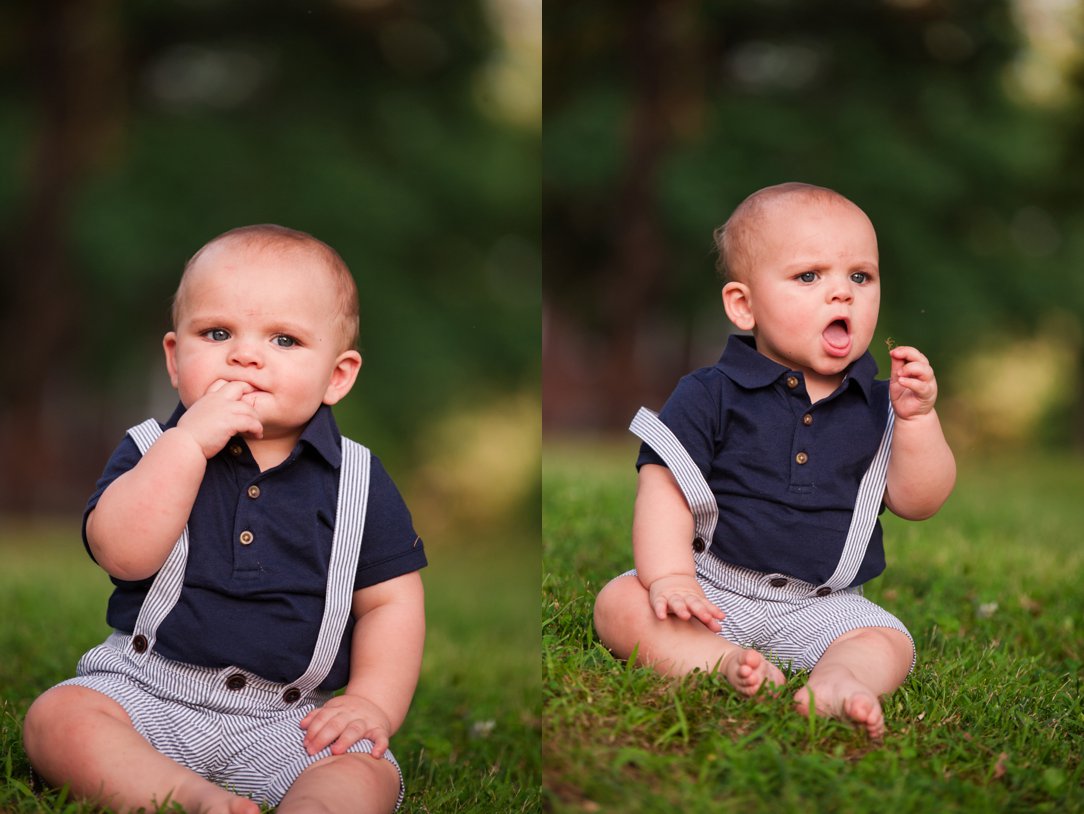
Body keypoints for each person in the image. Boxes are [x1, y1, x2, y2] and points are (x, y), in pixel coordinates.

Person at [23, 225, 427, 813]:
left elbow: (391, 603)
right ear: (174, 356)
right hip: (145, 688)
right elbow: (122, 553)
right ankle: (188, 798)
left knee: (363, 773)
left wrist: (370, 701)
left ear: (336, 376)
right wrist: (187, 446)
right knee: (59, 719)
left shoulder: (359, 481)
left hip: (286, 717)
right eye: (216, 333)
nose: (245, 355)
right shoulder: (150, 447)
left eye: (284, 340)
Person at [593, 182, 955, 740]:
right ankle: (720, 661)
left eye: (860, 276)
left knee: (887, 642)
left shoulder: (884, 405)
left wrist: (919, 420)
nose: (842, 294)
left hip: (824, 606)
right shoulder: (711, 392)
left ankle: (836, 682)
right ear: (744, 305)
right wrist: (671, 577)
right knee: (620, 603)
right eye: (809, 276)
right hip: (710, 588)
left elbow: (918, 501)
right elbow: (664, 486)